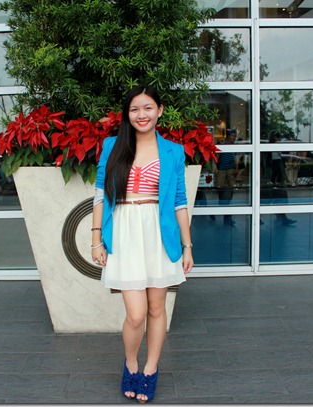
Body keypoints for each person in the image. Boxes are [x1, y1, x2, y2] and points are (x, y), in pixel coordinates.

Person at [91, 85, 193, 403]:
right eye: (135, 109)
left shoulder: (173, 151)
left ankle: (150, 368)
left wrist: (187, 246)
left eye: (148, 108)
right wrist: (96, 239)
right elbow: (99, 194)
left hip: (158, 233)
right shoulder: (112, 146)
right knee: (136, 314)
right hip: (124, 231)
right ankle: (131, 362)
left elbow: (179, 202)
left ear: (159, 110)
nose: (141, 114)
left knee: (156, 308)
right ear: (127, 113)